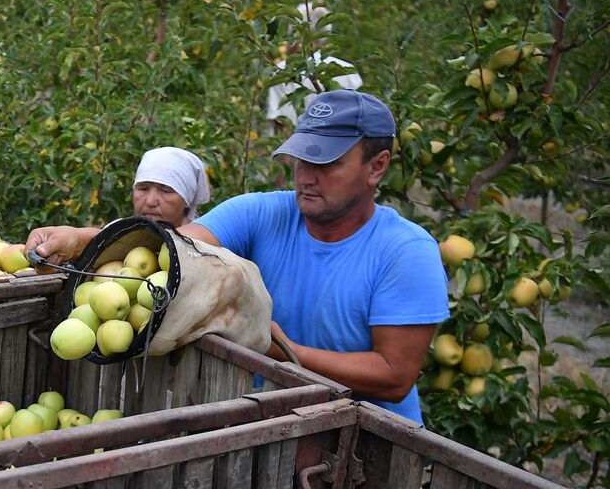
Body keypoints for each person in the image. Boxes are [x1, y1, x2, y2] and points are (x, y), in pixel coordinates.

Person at [29, 91, 448, 425]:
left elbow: (393, 375)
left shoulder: (406, 253)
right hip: (274, 427)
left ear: (376, 167)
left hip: (367, 451)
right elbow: (175, 246)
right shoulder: (264, 212)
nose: (306, 175)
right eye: (303, 159)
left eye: (327, 163)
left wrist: (280, 348)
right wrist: (81, 238)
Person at [25, 146, 211, 264]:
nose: (150, 201)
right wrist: (70, 237)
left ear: (186, 201)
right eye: (143, 188)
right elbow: (99, 239)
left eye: (166, 191)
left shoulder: (205, 247)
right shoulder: (119, 231)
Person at [265, 4, 362, 127]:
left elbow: (279, 125)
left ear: (295, 35)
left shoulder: (281, 71)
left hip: (297, 144)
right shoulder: (349, 71)